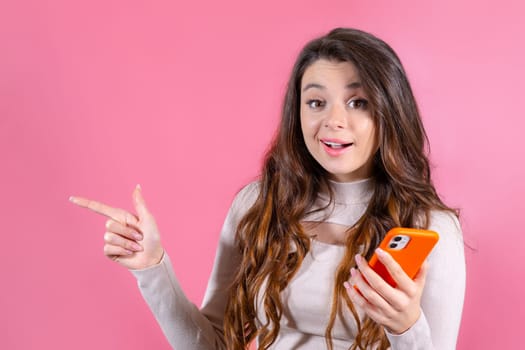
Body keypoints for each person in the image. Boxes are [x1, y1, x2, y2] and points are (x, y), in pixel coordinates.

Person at [70, 28, 466, 350]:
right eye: (316, 102)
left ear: (389, 110)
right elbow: (213, 345)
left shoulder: (431, 227)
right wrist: (152, 266)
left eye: (358, 102)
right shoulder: (258, 204)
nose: (333, 121)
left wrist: (406, 328)